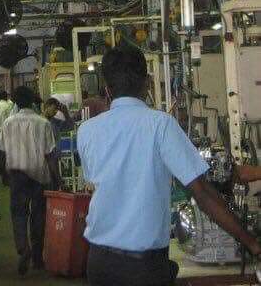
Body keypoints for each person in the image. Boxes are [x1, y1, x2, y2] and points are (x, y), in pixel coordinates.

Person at [77, 44, 261, 286]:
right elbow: (203, 194)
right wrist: (251, 243)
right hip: (144, 269)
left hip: (99, 264)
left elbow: (99, 183)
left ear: (107, 89)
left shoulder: (87, 131)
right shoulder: (160, 124)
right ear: (147, 83)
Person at [0, 86, 60, 276]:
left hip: (17, 175)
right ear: (33, 100)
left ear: (15, 102)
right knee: (38, 215)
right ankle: (38, 257)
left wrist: (4, 173)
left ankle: (23, 248)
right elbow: (50, 154)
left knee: (18, 213)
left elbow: (2, 151)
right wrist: (57, 178)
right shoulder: (43, 123)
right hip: (39, 175)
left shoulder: (8, 123)